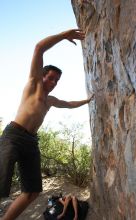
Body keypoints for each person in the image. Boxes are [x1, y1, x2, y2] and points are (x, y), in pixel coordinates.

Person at [0, 29, 93, 220]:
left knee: (32, 191)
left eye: (56, 80)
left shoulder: (50, 100)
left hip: (31, 142)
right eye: (50, 77)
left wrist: (87, 101)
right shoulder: (33, 85)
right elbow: (39, 48)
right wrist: (65, 35)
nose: (53, 82)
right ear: (42, 75)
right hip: (13, 136)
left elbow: (67, 104)